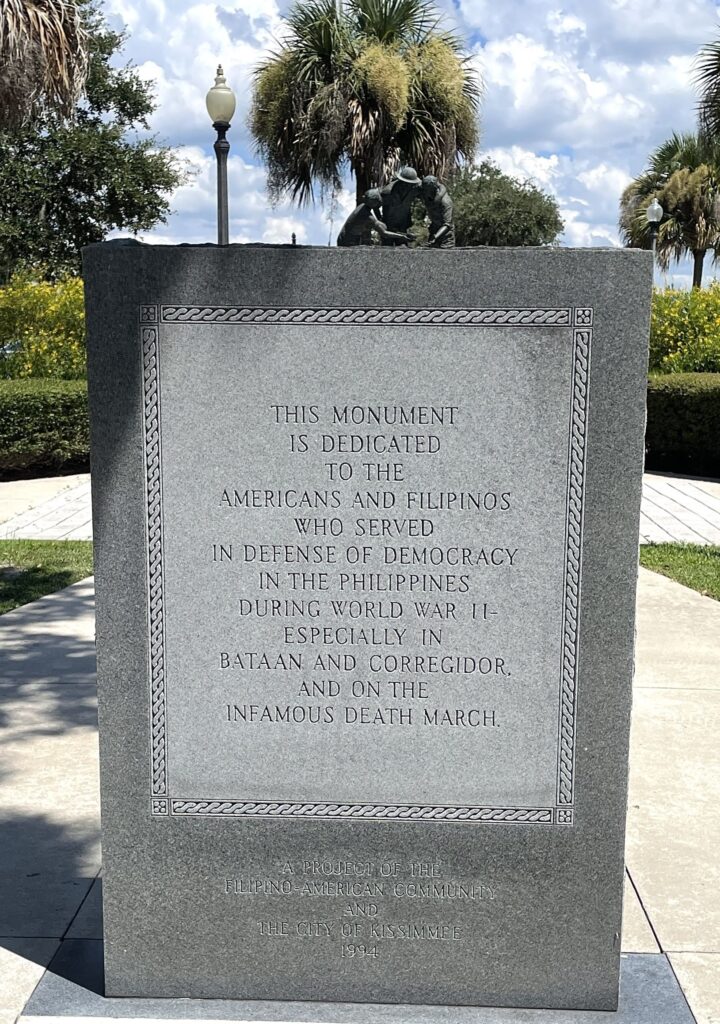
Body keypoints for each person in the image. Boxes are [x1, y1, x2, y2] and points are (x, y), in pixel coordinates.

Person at [337, 189, 413, 247]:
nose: (380, 203)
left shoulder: (362, 207)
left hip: (343, 238)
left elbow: (379, 225)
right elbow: (384, 233)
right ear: (373, 203)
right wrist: (402, 236)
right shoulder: (368, 217)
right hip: (348, 243)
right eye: (378, 202)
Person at [379, 167, 422, 245]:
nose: (409, 186)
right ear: (401, 181)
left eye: (411, 184)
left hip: (403, 224)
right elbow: (375, 206)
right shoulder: (388, 192)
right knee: (387, 247)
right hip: (388, 225)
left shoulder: (415, 188)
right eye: (406, 183)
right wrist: (379, 222)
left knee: (403, 247)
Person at [421, 175, 455, 248]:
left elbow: (447, 224)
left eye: (426, 190)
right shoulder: (429, 197)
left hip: (446, 241)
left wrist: (435, 237)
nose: (424, 191)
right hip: (433, 236)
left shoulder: (446, 202)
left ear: (432, 190)